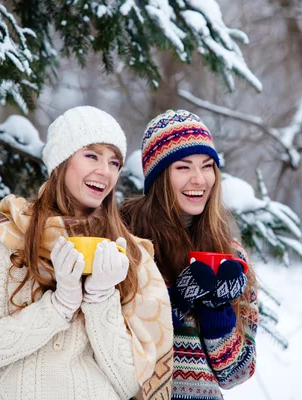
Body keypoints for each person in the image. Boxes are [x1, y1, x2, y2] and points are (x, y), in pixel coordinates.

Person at [0, 106, 173, 400]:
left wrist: (100, 298)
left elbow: (132, 385)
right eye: (92, 155)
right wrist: (58, 306)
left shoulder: (130, 254)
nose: (105, 171)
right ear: (61, 160)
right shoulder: (11, 236)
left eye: (114, 162)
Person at [121, 109, 258, 400]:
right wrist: (174, 303)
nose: (199, 179)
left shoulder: (231, 255)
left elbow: (237, 373)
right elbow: (113, 348)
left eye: (207, 166)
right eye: (183, 168)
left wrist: (217, 311)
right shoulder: (126, 241)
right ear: (159, 177)